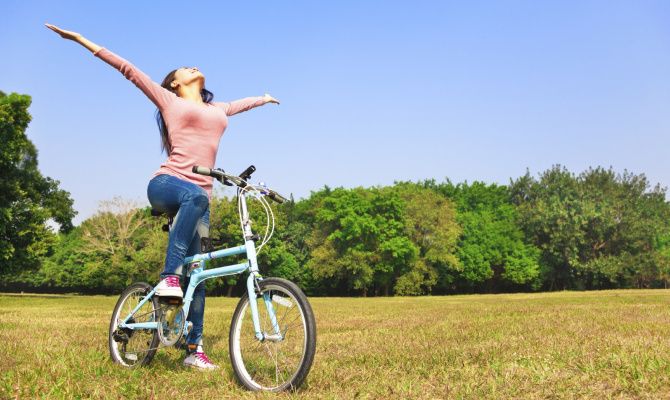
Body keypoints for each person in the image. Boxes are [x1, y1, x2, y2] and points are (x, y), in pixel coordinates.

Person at [45, 23, 279, 370]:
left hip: (198, 199)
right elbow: (127, 69)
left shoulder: (218, 110)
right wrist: (80, 40)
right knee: (195, 206)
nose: (194, 67)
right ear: (174, 82)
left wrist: (262, 99)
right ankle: (169, 276)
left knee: (198, 274)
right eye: (187, 68)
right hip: (167, 185)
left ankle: (193, 349)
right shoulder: (168, 99)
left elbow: (239, 105)